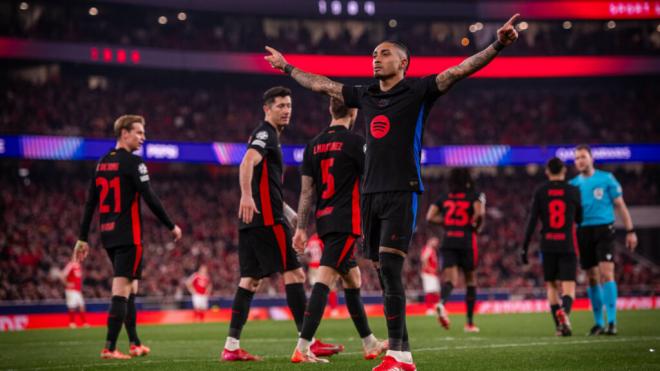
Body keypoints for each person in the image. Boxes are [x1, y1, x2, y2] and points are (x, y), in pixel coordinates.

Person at [265, 14, 521, 370]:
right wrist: (288, 68)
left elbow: (460, 70)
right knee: (383, 271)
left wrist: (497, 45)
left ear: (402, 62)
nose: (375, 58)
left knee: (390, 266)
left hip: (403, 190)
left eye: (383, 54)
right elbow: (324, 85)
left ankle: (399, 355)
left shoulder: (418, 91)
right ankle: (400, 353)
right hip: (370, 194)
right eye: (373, 53)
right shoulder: (366, 94)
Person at [223, 87, 340, 361]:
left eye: (289, 105)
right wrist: (248, 196)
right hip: (266, 220)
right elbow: (246, 163)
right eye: (280, 106)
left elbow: (268, 184)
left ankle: (231, 346)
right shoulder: (265, 133)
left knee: (249, 281)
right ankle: (306, 342)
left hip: (255, 220)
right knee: (295, 274)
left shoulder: (271, 136)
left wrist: (288, 212)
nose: (286, 110)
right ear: (267, 109)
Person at [75, 114, 182, 359]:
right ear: (125, 133)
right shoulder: (134, 163)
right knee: (122, 290)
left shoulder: (102, 163)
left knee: (131, 287)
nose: (143, 138)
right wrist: (171, 225)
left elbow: (90, 202)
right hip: (129, 236)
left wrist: (82, 237)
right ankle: (110, 347)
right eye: (139, 133)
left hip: (108, 235)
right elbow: (150, 196)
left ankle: (134, 343)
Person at [291, 98, 387, 363]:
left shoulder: (313, 145)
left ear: (330, 110)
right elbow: (371, 183)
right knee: (324, 278)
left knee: (352, 279)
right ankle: (302, 347)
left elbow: (306, 192)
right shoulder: (356, 142)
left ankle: (370, 343)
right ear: (354, 111)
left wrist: (300, 227)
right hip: (346, 222)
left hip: (324, 221)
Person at [570, 144, 638, 336]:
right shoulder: (574, 185)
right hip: (583, 230)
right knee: (591, 277)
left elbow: (621, 206)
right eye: (576, 158)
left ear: (591, 158)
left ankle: (613, 322)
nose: (580, 161)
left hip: (604, 229)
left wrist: (631, 230)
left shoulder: (606, 179)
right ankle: (599, 322)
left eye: (583, 157)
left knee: (606, 274)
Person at [521, 157, 582, 336]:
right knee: (569, 286)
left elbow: (532, 221)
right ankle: (566, 312)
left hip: (547, 244)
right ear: (564, 171)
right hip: (567, 244)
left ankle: (558, 325)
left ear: (547, 171)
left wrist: (524, 247)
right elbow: (580, 219)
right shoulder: (573, 191)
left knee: (552, 286)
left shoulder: (541, 191)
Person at [426, 168, 486, 333]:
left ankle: (442, 302)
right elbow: (479, 213)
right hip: (466, 240)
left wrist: (446, 222)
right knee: (470, 280)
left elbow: (430, 216)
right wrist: (476, 226)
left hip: (449, 240)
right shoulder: (473, 195)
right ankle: (469, 323)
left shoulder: (445, 197)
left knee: (450, 281)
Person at [305, 233, 340, 318]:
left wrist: (310, 262)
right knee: (331, 288)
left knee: (315, 290)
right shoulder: (323, 238)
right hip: (322, 266)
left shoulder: (311, 239)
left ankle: (315, 311)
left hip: (312, 267)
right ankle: (333, 310)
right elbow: (327, 252)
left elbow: (306, 253)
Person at [60, 258, 89, 328]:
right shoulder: (70, 265)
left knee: (82, 306)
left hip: (77, 290)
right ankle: (72, 323)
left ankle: (84, 323)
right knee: (72, 306)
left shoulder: (79, 266)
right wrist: (67, 284)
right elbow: (62, 275)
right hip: (71, 290)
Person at [419, 237, 440, 315]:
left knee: (436, 291)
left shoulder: (432, 250)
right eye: (435, 241)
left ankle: (437, 308)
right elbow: (423, 259)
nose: (436, 244)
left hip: (432, 274)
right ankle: (429, 309)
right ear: (430, 241)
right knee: (430, 290)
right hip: (428, 274)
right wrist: (428, 268)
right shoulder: (428, 249)